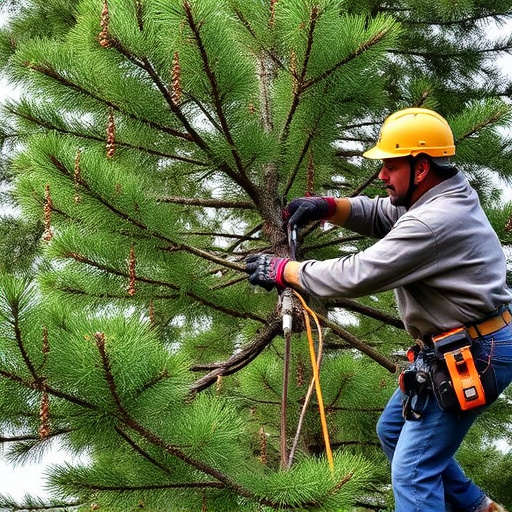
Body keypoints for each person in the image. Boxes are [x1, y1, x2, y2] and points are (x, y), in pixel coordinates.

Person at [245, 107, 512, 512]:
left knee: (412, 472)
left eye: (389, 165)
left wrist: (287, 270)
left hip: (477, 353)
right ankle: (478, 508)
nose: (382, 175)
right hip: (461, 344)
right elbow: (383, 213)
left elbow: (358, 274)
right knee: (392, 431)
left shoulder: (434, 221)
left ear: (420, 168)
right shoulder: (443, 192)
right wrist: (328, 206)